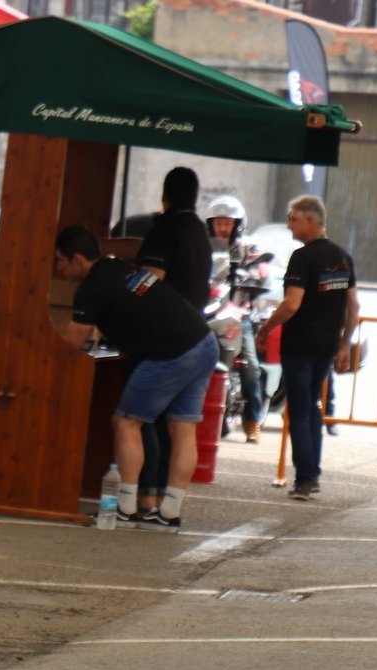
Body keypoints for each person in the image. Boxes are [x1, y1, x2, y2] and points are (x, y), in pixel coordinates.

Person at [54, 225, 218, 532]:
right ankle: (168, 514)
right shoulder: (120, 268)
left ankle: (125, 509)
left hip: (171, 352)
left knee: (126, 423)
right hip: (203, 342)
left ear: (77, 259)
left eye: (61, 261)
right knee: (183, 428)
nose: (59, 269)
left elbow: (73, 342)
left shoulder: (91, 289)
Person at [255, 196, 359, 501]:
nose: (289, 225)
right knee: (312, 405)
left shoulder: (302, 258)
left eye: (294, 219)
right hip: (326, 345)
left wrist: (266, 327)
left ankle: (305, 479)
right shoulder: (342, 257)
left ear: (310, 221)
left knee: (299, 410)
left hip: (300, 345)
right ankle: (312, 474)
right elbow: (354, 306)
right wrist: (344, 344)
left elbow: (291, 304)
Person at [132, 167, 212, 515]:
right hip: (197, 337)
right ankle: (169, 507)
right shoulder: (199, 230)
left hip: (162, 337)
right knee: (180, 428)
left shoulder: (164, 230)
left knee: (137, 419)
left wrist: (124, 288)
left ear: (165, 195)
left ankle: (145, 498)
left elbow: (149, 281)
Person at [205, 194, 266, 443]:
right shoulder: (204, 246)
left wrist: (246, 276)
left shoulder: (248, 247)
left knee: (250, 365)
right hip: (208, 309)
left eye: (227, 223)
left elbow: (261, 272)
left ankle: (252, 420)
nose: (222, 227)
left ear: (237, 224)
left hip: (238, 313)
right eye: (218, 222)